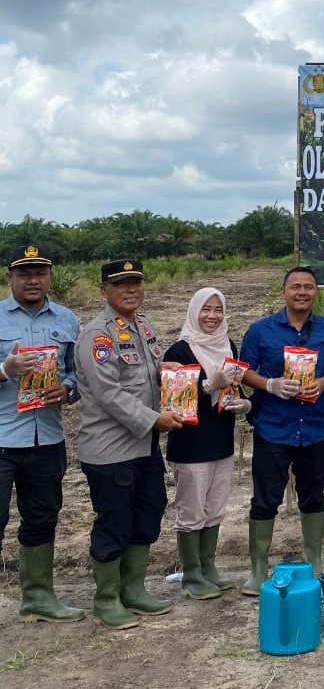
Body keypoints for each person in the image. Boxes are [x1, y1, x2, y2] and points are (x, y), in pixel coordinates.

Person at [76, 259, 184, 629]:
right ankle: (107, 599)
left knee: (148, 513)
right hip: (110, 450)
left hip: (145, 446)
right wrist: (156, 419)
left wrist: (179, 398)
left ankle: (133, 590)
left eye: (135, 282)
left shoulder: (144, 327)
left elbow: (158, 380)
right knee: (114, 523)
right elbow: (109, 394)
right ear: (104, 289)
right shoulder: (98, 336)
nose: (131, 289)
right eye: (121, 284)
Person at [239, 266, 324, 594]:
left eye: (309, 287)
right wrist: (270, 384)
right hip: (273, 426)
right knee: (265, 498)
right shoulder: (261, 330)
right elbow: (243, 372)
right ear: (284, 291)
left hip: (315, 426)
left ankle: (314, 560)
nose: (302, 292)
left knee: (314, 496)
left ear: (316, 292)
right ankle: (258, 567)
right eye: (295, 286)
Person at [0, 244, 84, 623]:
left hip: (47, 438)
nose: (33, 280)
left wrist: (66, 389)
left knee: (42, 517)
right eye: (24, 274)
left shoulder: (67, 319)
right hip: (2, 440)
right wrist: (6, 369)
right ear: (10, 278)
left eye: (40, 273)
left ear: (50, 276)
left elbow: (76, 372)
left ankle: (37, 597)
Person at [163, 288, 251, 599]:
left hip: (221, 441)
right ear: (193, 311)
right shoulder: (178, 351)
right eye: (205, 309)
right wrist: (209, 384)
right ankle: (191, 574)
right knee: (191, 510)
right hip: (190, 445)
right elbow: (173, 400)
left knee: (215, 508)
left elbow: (233, 390)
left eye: (218, 309)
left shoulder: (230, 346)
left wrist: (242, 404)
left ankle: (208, 566)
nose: (212, 316)